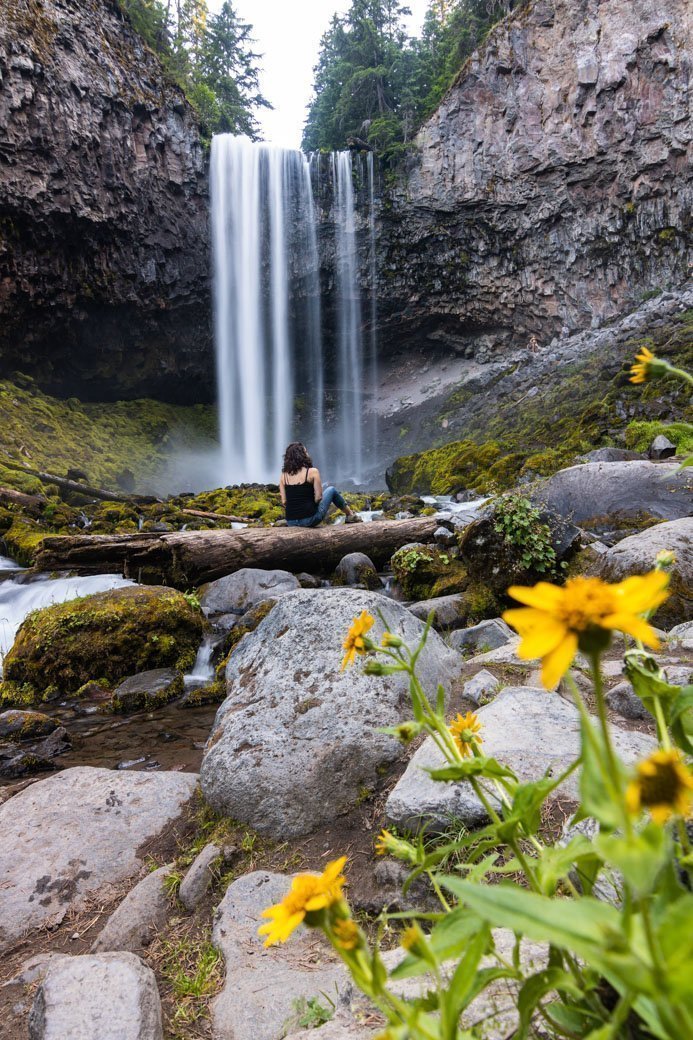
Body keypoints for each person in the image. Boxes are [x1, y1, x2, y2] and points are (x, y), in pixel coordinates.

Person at [279, 442, 362, 527]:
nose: (307, 454)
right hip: (310, 520)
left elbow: (284, 501)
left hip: (291, 522)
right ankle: (350, 515)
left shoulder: (283, 476)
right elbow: (318, 498)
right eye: (306, 452)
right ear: (301, 455)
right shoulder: (312, 472)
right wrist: (310, 504)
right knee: (331, 490)